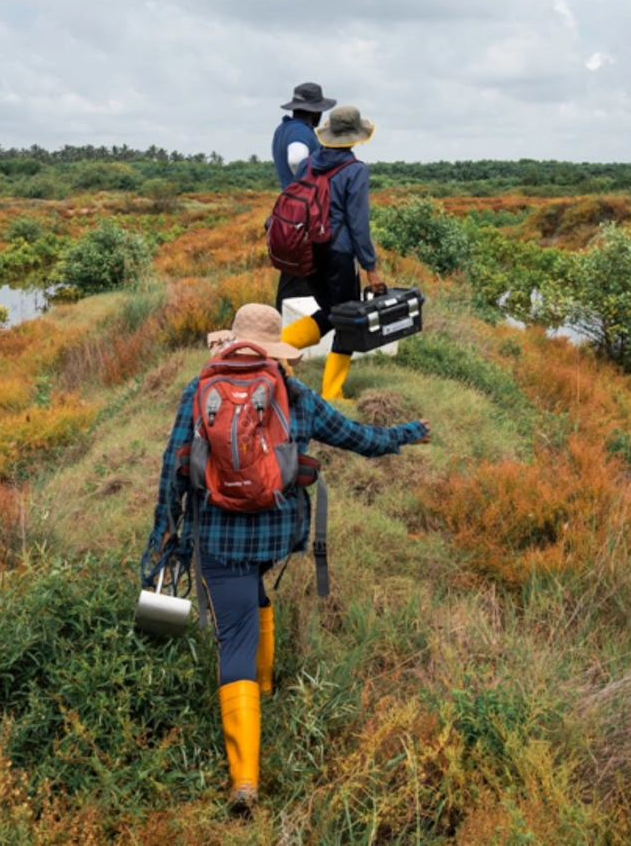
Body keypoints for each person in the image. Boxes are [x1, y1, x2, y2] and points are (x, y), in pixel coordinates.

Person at [141, 303, 429, 812]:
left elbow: (173, 467)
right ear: (277, 349)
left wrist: (165, 536)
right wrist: (407, 432)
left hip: (219, 538)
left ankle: (244, 781)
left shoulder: (199, 390)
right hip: (277, 535)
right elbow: (360, 438)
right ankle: (266, 688)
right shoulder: (295, 395)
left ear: (232, 341)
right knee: (252, 592)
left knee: (234, 637)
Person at [278, 104, 385, 401]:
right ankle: (332, 393)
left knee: (330, 312)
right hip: (338, 253)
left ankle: (278, 347)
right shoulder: (355, 170)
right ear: (355, 137)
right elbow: (358, 224)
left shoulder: (308, 164)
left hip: (307, 250)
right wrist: (370, 267)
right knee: (348, 319)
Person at [272, 83, 334, 311]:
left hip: (291, 217)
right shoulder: (300, 131)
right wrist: (311, 189)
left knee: (294, 278)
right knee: (304, 287)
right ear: (316, 112)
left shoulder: (283, 129)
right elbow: (296, 159)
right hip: (305, 219)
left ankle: (284, 328)